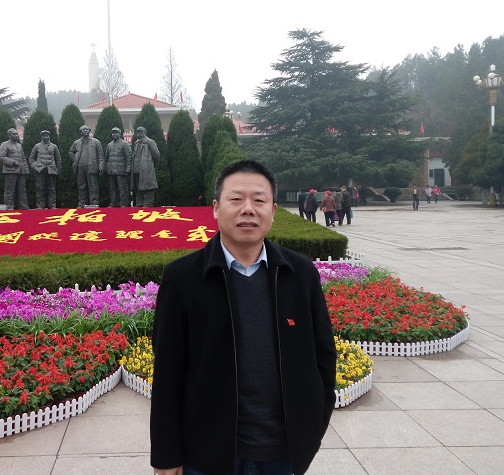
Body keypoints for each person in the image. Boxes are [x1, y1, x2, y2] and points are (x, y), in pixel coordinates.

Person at [150, 160, 336, 475]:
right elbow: (168, 371)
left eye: (259, 200)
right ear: (215, 208)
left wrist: (312, 430)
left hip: (283, 456)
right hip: (206, 455)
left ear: (273, 211)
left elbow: (323, 357)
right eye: (236, 199)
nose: (248, 209)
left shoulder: (299, 274)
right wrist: (167, 455)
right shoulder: (182, 278)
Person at [69, 125, 104, 207]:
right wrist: (76, 160)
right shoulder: (77, 142)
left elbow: (100, 155)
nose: (85, 131)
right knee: (81, 186)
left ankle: (94, 203)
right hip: (80, 167)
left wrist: (101, 166)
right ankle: (82, 203)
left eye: (87, 129)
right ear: (81, 132)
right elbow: (71, 151)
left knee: (93, 186)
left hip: (92, 167)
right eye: (83, 129)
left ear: (89, 131)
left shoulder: (96, 142)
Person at [0, 127, 29, 209]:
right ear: (9, 135)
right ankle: (9, 207)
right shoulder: (4, 144)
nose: (16, 135)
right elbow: (1, 157)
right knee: (9, 190)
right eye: (14, 134)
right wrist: (13, 162)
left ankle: (24, 206)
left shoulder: (19, 145)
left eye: (17, 134)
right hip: (10, 171)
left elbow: (23, 158)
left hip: (21, 171)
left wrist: (26, 169)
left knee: (22, 190)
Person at [28, 130, 61, 209]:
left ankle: (52, 205)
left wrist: (57, 169)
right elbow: (31, 158)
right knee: (40, 188)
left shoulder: (54, 146)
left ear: (49, 137)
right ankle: (40, 205)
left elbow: (58, 159)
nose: (46, 137)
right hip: (40, 170)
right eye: (44, 136)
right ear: (41, 137)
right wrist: (35, 166)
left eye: (47, 136)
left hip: (51, 170)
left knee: (51, 188)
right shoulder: (37, 146)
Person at [131, 126, 160, 206]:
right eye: (138, 132)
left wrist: (150, 164)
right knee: (138, 187)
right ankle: (139, 203)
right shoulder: (136, 143)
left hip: (146, 168)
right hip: (136, 169)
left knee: (148, 187)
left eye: (141, 132)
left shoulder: (150, 142)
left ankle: (148, 203)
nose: (139, 133)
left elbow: (156, 155)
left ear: (145, 132)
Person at [104, 126, 132, 207]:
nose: (114, 134)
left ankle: (123, 203)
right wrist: (105, 168)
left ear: (120, 134)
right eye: (113, 133)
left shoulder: (124, 144)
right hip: (111, 170)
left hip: (121, 170)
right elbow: (106, 158)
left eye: (116, 133)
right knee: (112, 188)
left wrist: (128, 168)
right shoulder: (109, 145)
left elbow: (129, 157)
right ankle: (113, 203)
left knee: (122, 188)